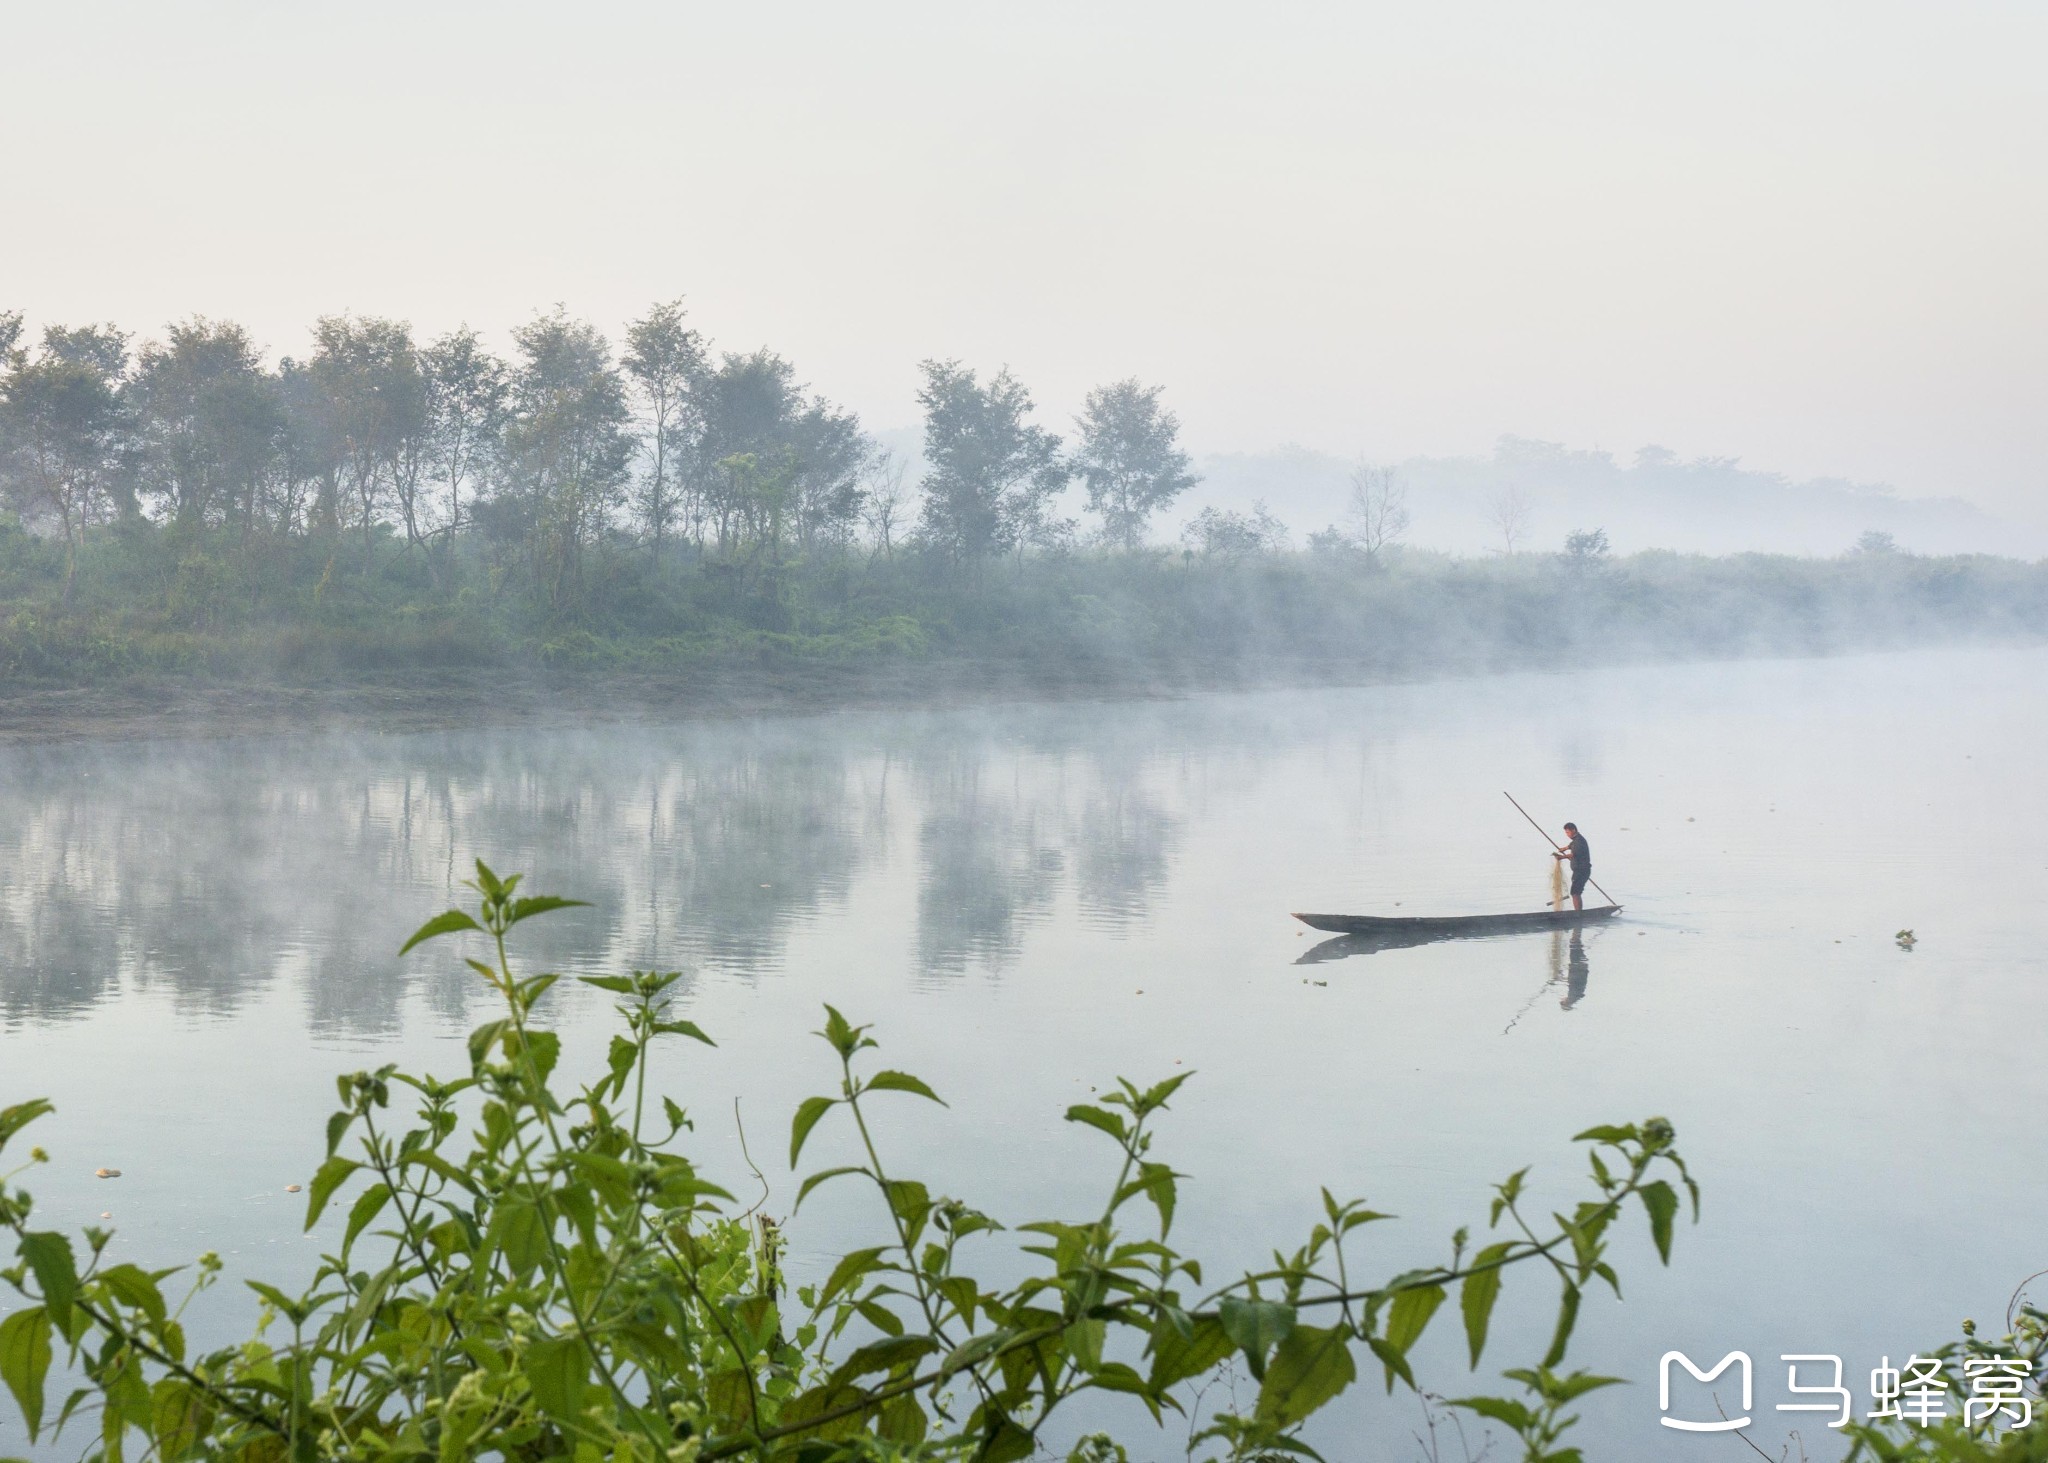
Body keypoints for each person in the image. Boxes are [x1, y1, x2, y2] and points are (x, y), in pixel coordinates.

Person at [1551, 821, 1591, 911]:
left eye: (1568, 832)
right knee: (1575, 892)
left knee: (1575, 893)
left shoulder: (1579, 841)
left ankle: (1578, 913)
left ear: (1574, 830)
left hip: (1581, 871)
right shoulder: (1576, 840)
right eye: (1566, 832)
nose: (1567, 834)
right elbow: (1571, 845)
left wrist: (1562, 857)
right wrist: (1563, 848)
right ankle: (1578, 912)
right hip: (1579, 871)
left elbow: (1573, 854)